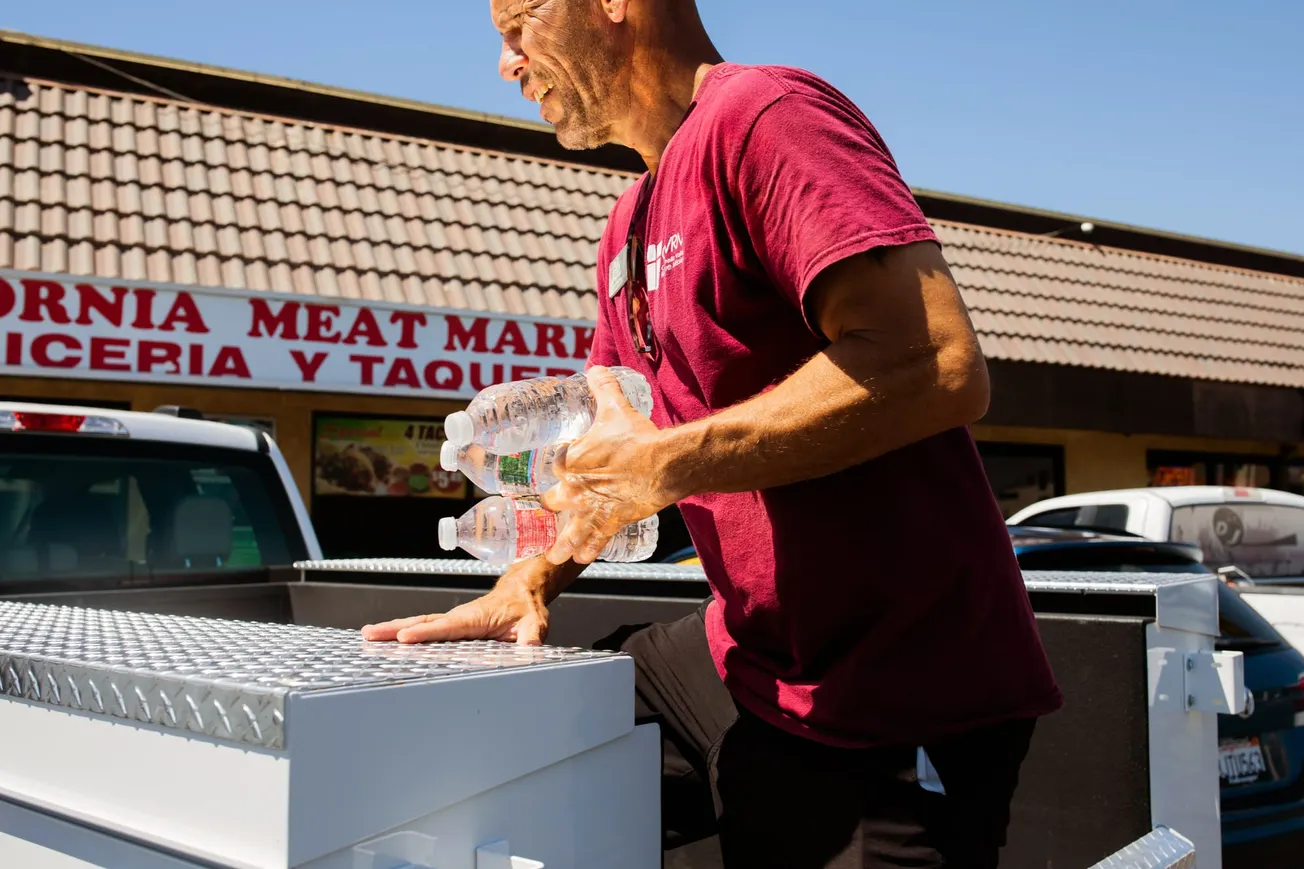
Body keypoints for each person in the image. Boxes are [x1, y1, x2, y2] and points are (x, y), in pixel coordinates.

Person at [362, 1, 1063, 866]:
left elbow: (937, 363)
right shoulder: (628, 223)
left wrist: (668, 460)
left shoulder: (767, 118)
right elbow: (613, 449)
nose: (508, 63)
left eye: (520, 23)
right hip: (742, 655)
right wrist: (530, 576)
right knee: (502, 760)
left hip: (887, 695)